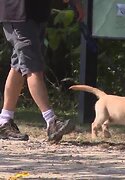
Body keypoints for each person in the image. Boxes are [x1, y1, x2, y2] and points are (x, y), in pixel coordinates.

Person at [0, 0, 84, 143]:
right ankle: (51, 121)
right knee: (33, 66)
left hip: (37, 13)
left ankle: (4, 121)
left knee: (19, 66)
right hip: (17, 13)